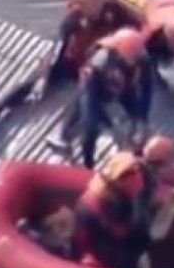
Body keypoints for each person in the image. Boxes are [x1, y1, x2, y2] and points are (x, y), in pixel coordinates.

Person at [0, 0, 137, 131]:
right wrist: (45, 76)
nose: (80, 9)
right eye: (78, 4)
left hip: (92, 64)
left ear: (98, 1)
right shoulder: (75, 16)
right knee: (34, 80)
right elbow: (59, 45)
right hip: (69, 60)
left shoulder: (114, 16)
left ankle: (63, 132)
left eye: (84, 5)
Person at [53, 27, 154, 169]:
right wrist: (100, 111)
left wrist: (142, 118)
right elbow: (89, 89)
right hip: (95, 87)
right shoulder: (101, 58)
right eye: (131, 55)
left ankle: (135, 153)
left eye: (135, 55)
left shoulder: (142, 57)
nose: (133, 58)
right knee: (91, 126)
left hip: (123, 84)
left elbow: (147, 86)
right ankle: (87, 163)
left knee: (138, 118)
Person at [72, 151, 153, 268]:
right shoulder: (94, 206)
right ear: (120, 180)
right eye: (132, 175)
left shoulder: (131, 193)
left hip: (125, 240)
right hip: (108, 251)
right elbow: (82, 242)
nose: (139, 178)